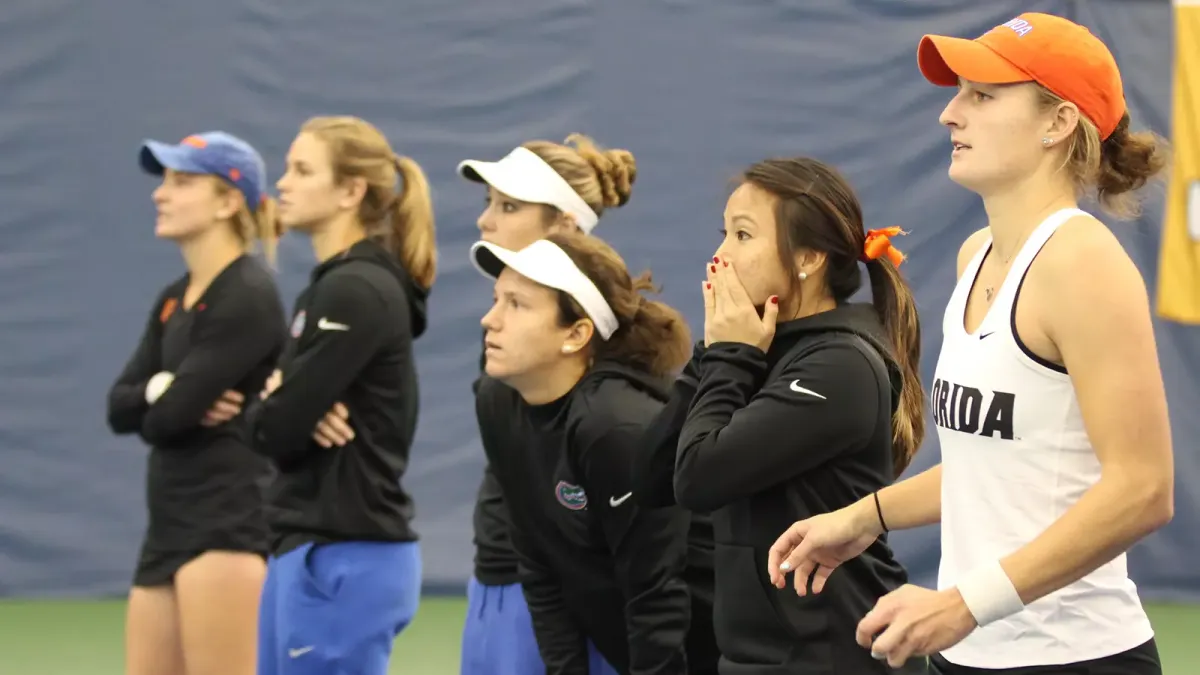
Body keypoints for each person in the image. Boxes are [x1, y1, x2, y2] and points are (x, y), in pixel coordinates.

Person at [767, 12, 1173, 675]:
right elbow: (1003, 468)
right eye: (958, 93)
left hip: (1074, 659)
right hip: (968, 653)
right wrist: (862, 515)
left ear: (1058, 122)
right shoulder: (975, 255)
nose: (950, 115)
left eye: (982, 95)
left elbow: (1143, 489)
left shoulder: (1082, 264)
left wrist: (964, 603)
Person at [671, 156, 928, 674]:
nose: (719, 256)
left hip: (831, 658)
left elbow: (697, 476)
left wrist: (727, 357)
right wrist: (715, 352)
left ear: (808, 257)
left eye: (742, 236)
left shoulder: (840, 365)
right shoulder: (759, 349)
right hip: (756, 658)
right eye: (724, 233)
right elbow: (652, 472)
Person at [471, 231, 717, 675]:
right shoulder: (497, 399)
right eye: (496, 299)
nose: (490, 319)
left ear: (577, 334)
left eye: (517, 304)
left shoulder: (615, 427)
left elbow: (656, 594)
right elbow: (539, 560)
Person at [247, 115, 437, 675]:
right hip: (310, 550)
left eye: (302, 170)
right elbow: (274, 421)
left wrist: (284, 402)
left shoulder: (356, 289)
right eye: (287, 168)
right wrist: (284, 403)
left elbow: (272, 429)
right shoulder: (333, 285)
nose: (283, 183)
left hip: (344, 557)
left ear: (351, 191)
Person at [454, 134, 646, 675]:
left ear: (564, 223)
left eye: (508, 206)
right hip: (495, 576)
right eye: (489, 203)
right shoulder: (506, 337)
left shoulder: (605, 377)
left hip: (567, 601)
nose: (486, 221)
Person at [105, 131, 287, 675]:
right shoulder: (171, 298)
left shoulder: (247, 295)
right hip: (167, 526)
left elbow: (166, 421)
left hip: (226, 525)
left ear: (230, 202)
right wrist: (165, 387)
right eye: (164, 180)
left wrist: (163, 399)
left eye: (183, 182)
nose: (162, 194)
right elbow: (120, 408)